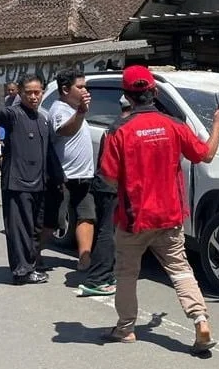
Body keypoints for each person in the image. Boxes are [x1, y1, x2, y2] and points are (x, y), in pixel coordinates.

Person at [98, 65, 219, 353]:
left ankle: (125, 328)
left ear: (127, 96)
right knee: (181, 270)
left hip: (134, 219)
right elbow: (205, 155)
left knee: (126, 274)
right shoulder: (174, 125)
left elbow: (107, 178)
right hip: (170, 216)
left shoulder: (117, 131)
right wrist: (218, 125)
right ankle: (200, 320)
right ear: (154, 92)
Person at [0, 74, 63, 285]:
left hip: (39, 184)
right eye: (29, 93)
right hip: (18, 184)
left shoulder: (42, 118)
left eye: (37, 92)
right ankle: (21, 271)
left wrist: (57, 178)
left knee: (35, 229)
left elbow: (48, 153)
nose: (34, 97)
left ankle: (31, 265)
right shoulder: (14, 114)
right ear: (21, 94)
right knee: (19, 230)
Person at [78, 96, 132, 297]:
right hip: (112, 186)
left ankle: (107, 274)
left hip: (104, 184)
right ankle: (98, 279)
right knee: (108, 232)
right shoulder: (125, 127)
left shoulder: (113, 126)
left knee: (107, 230)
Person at [47, 68, 96, 271]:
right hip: (64, 176)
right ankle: (32, 256)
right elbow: (65, 130)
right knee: (53, 221)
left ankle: (84, 259)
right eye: (80, 86)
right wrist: (81, 112)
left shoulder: (76, 109)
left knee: (87, 215)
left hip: (83, 175)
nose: (85, 90)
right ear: (66, 89)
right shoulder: (59, 109)